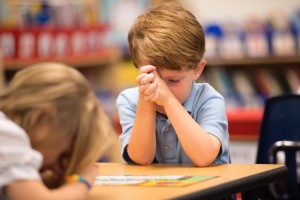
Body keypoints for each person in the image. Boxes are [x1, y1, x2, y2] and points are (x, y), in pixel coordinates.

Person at [116, 1, 231, 167]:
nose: (160, 88)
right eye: (150, 76)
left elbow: (204, 157)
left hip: (212, 192)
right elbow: (142, 159)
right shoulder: (129, 101)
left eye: (173, 80)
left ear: (197, 70)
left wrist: (169, 101)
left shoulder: (209, 99)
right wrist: (146, 101)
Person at [0, 62, 114, 199]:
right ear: (43, 119)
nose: (58, 166)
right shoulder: (9, 134)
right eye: (65, 154)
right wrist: (82, 180)